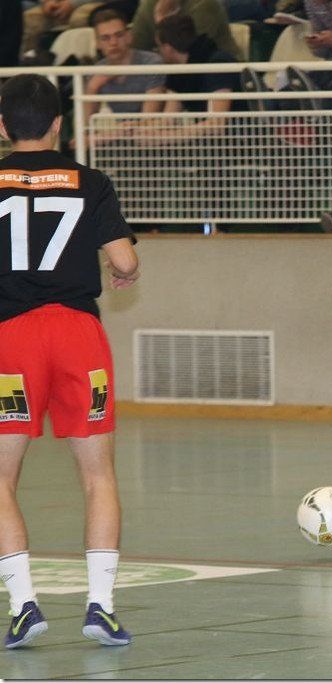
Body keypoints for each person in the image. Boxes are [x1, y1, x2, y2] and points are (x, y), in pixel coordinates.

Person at [0, 73, 139, 648]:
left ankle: (23, 607)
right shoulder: (92, 182)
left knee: (1, 478)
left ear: (2, 126)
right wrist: (121, 271)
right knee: (98, 474)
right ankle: (101, 608)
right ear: (59, 123)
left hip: (11, 340)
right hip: (80, 336)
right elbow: (125, 262)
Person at [81, 7, 164, 148]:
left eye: (119, 35)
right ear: (97, 43)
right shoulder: (96, 71)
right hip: (122, 140)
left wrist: (112, 134)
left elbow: (149, 120)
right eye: (105, 38)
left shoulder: (152, 63)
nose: (113, 43)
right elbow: (84, 127)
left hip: (156, 138)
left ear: (129, 36)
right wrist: (92, 88)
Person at [130, 0, 241, 60]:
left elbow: (189, 51)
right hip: (172, 73)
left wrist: (162, 22)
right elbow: (135, 50)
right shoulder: (148, 6)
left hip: (220, 70)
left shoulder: (205, 4)